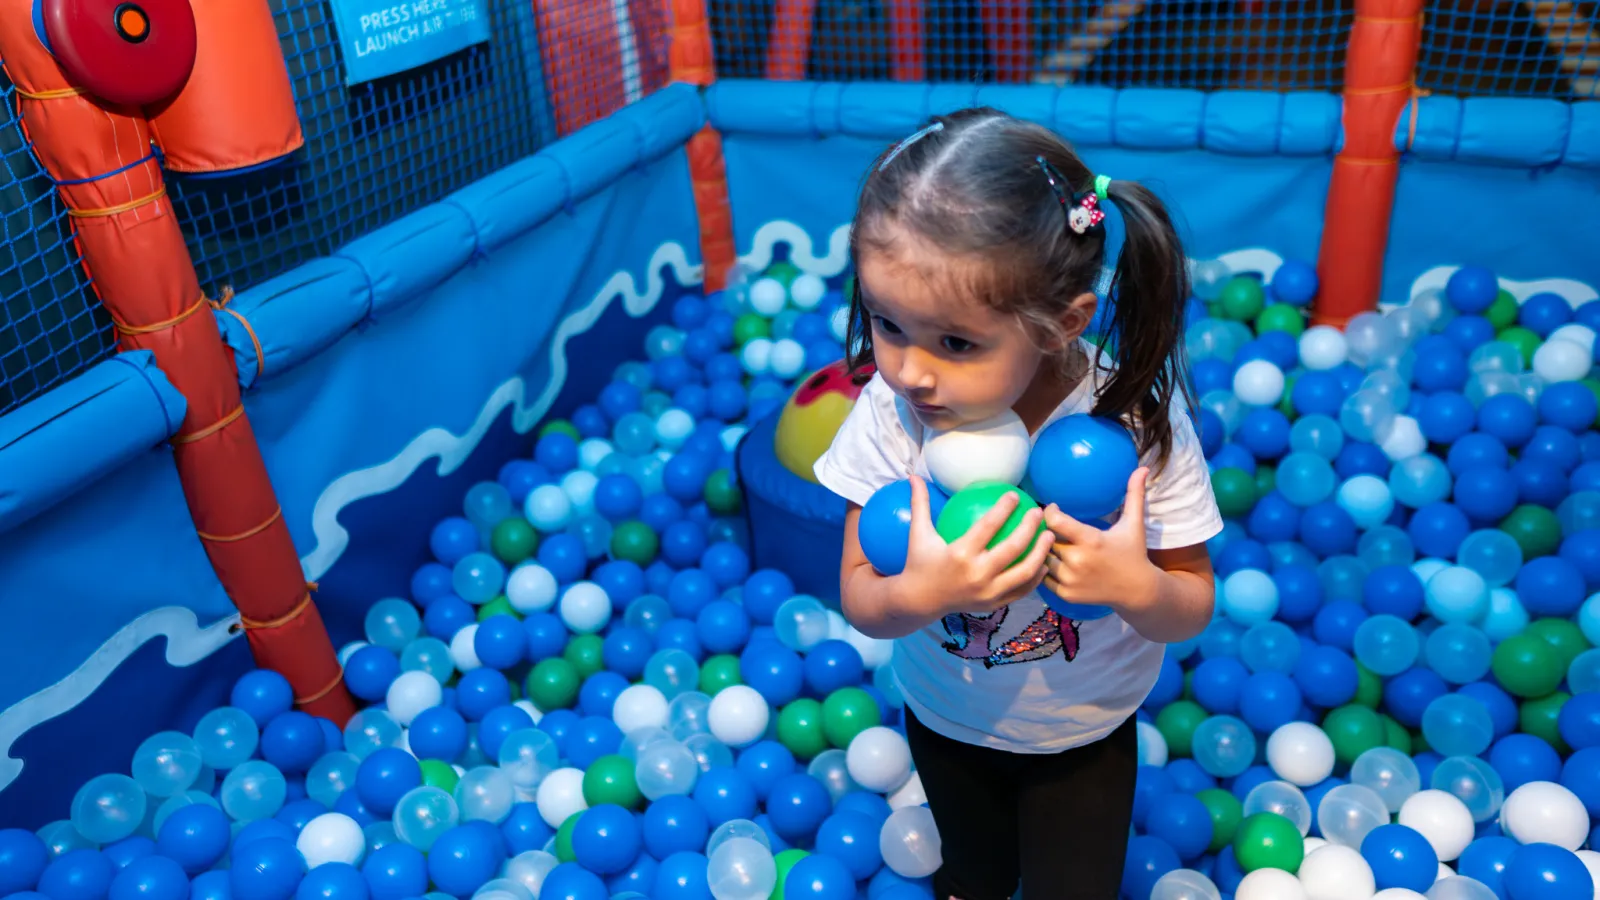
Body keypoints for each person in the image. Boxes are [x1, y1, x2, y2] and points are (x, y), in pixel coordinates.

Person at [813, 108, 1224, 899]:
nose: (909, 371)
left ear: (1060, 322)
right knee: (975, 877)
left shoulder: (1130, 419)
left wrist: (1134, 587)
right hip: (945, 718)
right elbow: (862, 594)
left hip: (1082, 735)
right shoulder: (888, 411)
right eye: (886, 323)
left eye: (956, 343)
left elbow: (1191, 603)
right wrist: (927, 594)